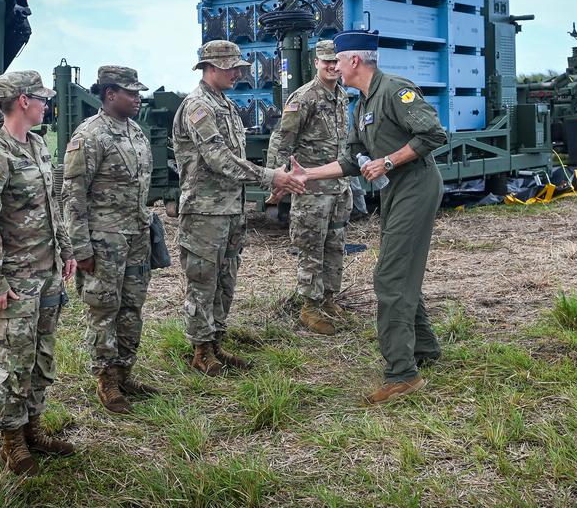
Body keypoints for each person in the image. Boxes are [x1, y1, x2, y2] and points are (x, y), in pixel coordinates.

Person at [289, 30, 446, 404]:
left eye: (338, 62)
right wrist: (307, 174)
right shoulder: (361, 104)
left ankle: (402, 375)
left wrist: (389, 160)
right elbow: (350, 160)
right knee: (397, 271)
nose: (335, 68)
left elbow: (434, 134)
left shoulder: (395, 90)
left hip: (416, 187)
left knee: (390, 276)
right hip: (396, 192)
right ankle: (423, 348)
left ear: (354, 61)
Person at [171, 39, 305, 375]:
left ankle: (216, 342)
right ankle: (201, 350)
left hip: (230, 210)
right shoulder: (197, 107)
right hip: (204, 212)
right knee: (203, 280)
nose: (237, 74)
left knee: (226, 278)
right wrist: (270, 176)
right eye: (232, 68)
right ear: (212, 67)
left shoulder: (224, 105)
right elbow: (219, 160)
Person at [0, 71, 77, 475]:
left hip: (46, 272)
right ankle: (12, 441)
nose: (47, 104)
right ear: (23, 101)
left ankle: (34, 429)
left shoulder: (36, 145)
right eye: (42, 98)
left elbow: (54, 204)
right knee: (14, 362)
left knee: (41, 356)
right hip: (15, 281)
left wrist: (65, 250)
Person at [62, 66, 158, 415]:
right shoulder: (89, 135)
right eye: (130, 93)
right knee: (104, 310)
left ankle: (123, 371)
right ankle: (105, 379)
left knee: (132, 306)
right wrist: (81, 248)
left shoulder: (136, 131)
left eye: (137, 92)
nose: (137, 98)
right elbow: (73, 195)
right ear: (109, 94)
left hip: (135, 237)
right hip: (104, 241)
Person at [266, 39, 352, 335]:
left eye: (335, 61)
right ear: (316, 62)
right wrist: (276, 179)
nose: (331, 66)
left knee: (335, 244)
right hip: (311, 189)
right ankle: (309, 306)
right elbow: (281, 140)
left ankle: (328, 299)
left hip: (338, 186)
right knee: (311, 246)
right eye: (325, 61)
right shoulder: (303, 98)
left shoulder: (342, 96)